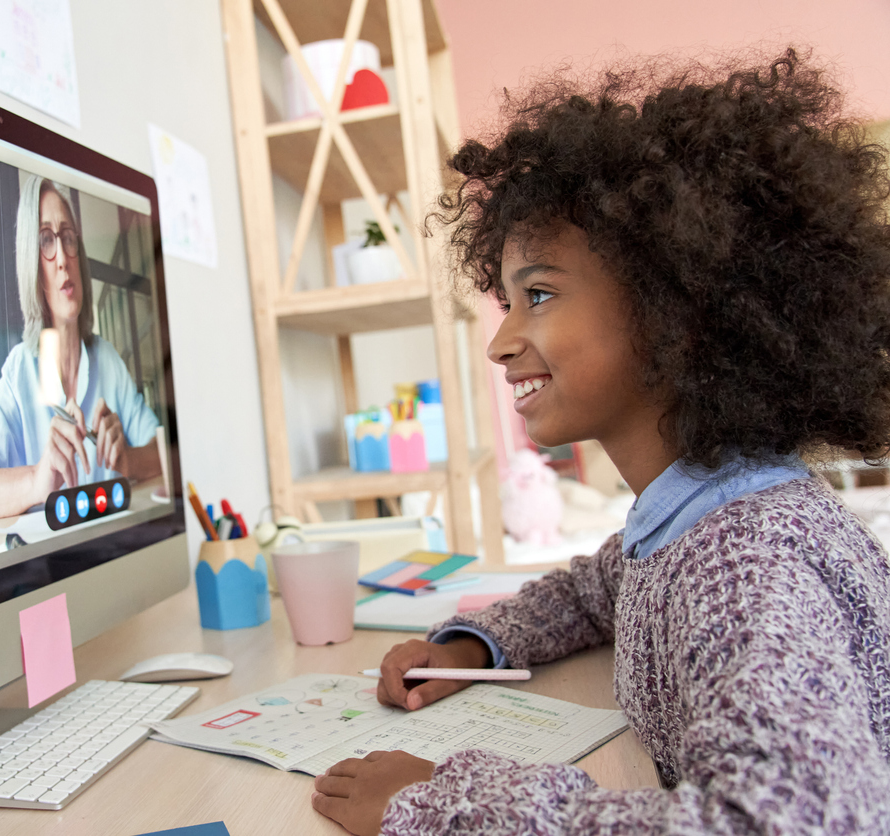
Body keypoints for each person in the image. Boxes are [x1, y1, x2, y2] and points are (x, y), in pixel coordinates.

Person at [310, 49, 890, 835]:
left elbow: (791, 824)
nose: (501, 342)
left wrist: (442, 804)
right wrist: (470, 646)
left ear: (675, 312)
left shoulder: (747, 565)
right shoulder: (693, 517)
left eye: (538, 295)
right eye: (506, 300)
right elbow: (596, 589)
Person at [0, 176, 161, 524]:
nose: (62, 257)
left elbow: (163, 454)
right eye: (46, 241)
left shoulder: (107, 359)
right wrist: (36, 480)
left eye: (67, 238)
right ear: (34, 268)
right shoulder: (22, 368)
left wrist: (127, 462)